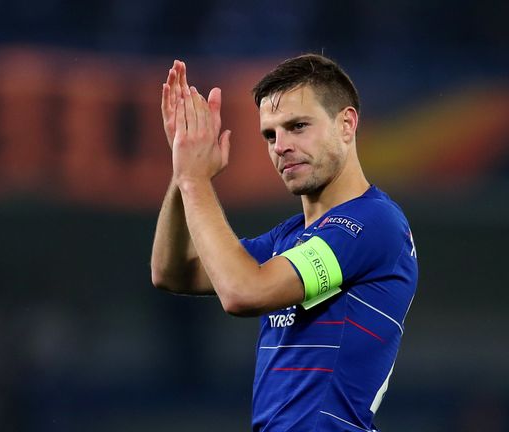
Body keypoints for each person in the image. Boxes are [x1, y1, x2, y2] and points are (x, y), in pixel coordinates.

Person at [151, 54, 418, 432]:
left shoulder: (373, 223)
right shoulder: (290, 238)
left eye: (297, 126)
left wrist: (196, 180)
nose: (280, 146)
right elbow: (171, 272)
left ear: (347, 124)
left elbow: (242, 292)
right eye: (270, 134)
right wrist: (181, 171)